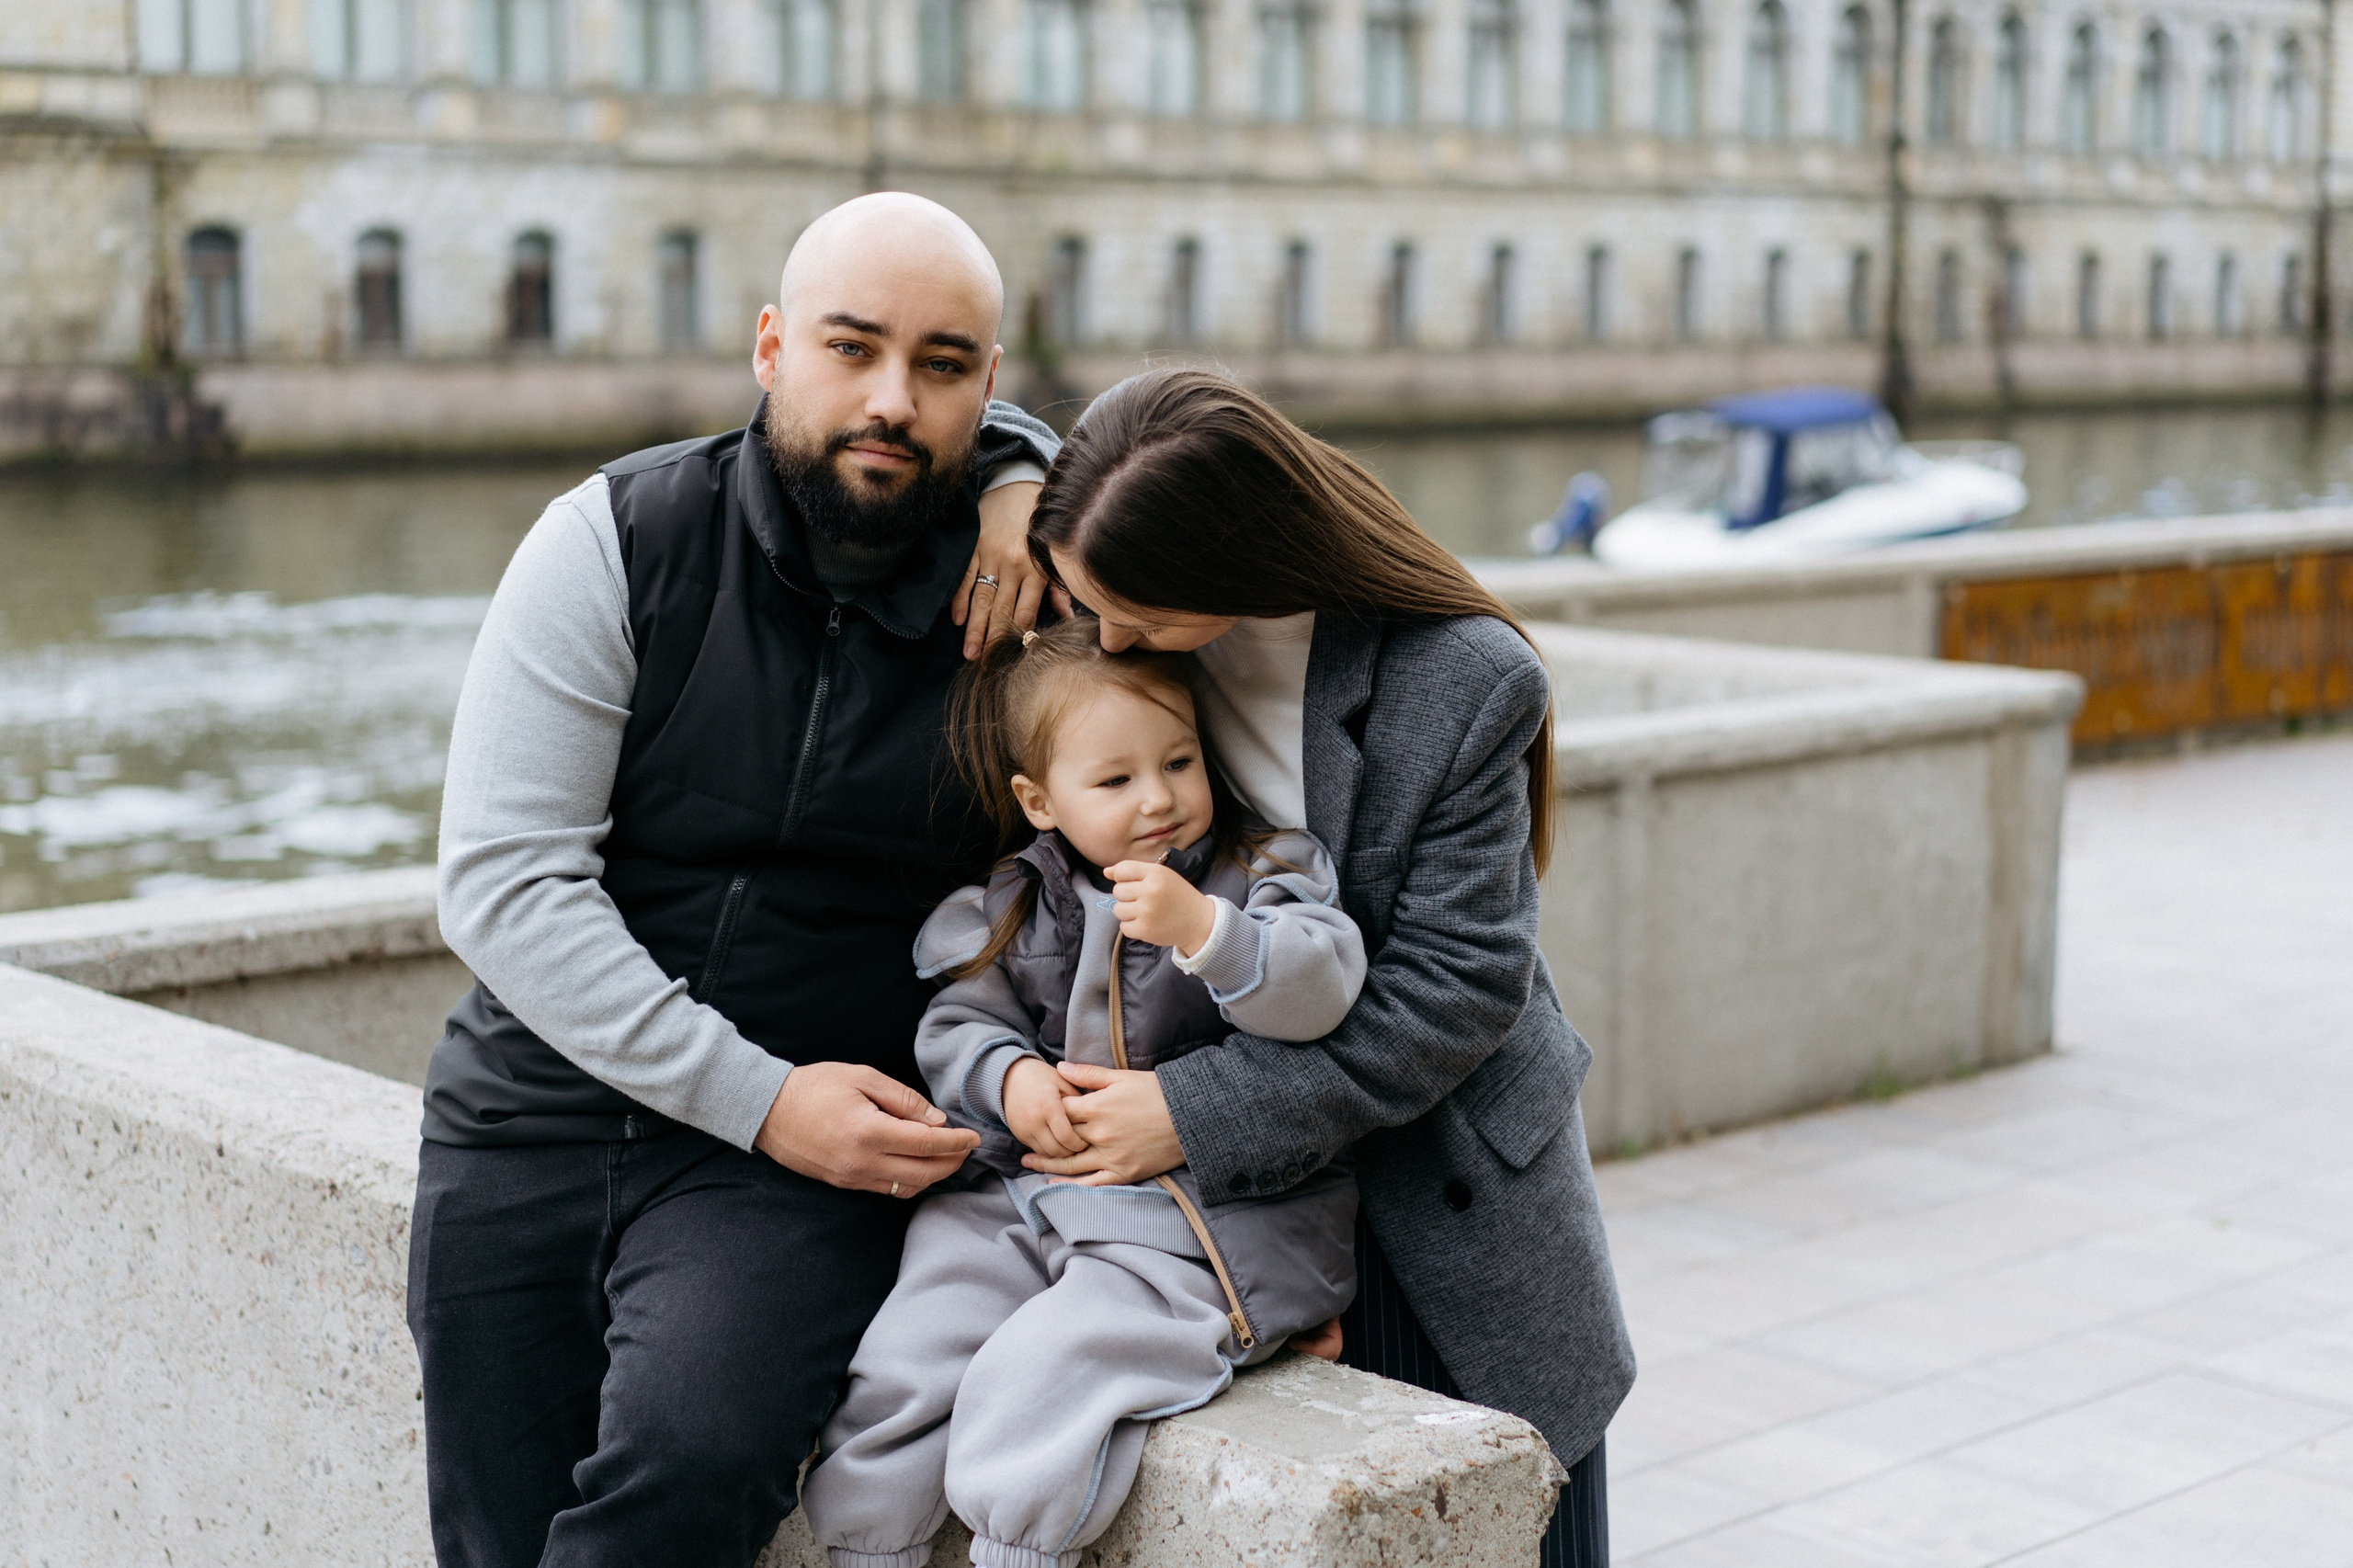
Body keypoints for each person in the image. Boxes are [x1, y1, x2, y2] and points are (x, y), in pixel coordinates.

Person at [404, 193, 1063, 1568]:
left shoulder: (1021, 604)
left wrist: (1037, 472)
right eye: (851, 347)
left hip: (807, 1163)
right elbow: (506, 885)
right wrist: (761, 1100)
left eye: (944, 367)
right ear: (771, 347)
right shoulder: (614, 536)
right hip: (538, 1110)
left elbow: (1190, 496)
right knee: (489, 1531)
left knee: (689, 1468)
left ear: (989, 388)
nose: (892, 398)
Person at [1018, 367, 1638, 1566]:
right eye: (1083, 600)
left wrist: (1190, 1113)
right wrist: (1010, 487)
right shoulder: (1141, 639)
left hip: (1452, 1181)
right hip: (1250, 1227)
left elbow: (1453, 997)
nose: (1102, 640)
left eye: (1132, 613)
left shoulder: (1461, 679)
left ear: (1230, 564)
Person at [800, 619, 1366, 1568]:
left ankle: (1020, 1545)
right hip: (1020, 1197)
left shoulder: (1260, 873)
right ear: (1040, 799)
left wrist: (1212, 933)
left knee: (1047, 1374)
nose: (1158, 799)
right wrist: (1009, 1076)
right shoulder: (1019, 899)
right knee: (907, 1354)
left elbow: (1321, 990)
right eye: (1114, 780)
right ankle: (869, 1545)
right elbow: (956, 1023)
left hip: (1199, 1221)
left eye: (1179, 761)